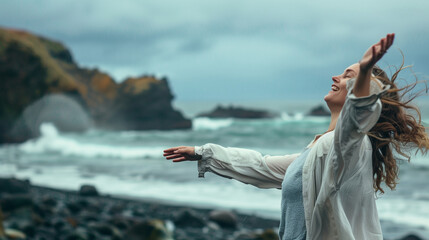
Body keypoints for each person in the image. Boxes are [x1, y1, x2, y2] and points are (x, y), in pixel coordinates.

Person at [163, 33, 429, 240]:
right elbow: (260, 166)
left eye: (348, 75)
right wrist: (202, 152)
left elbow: (357, 119)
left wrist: (366, 69)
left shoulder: (353, 146)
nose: (335, 77)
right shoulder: (316, 151)